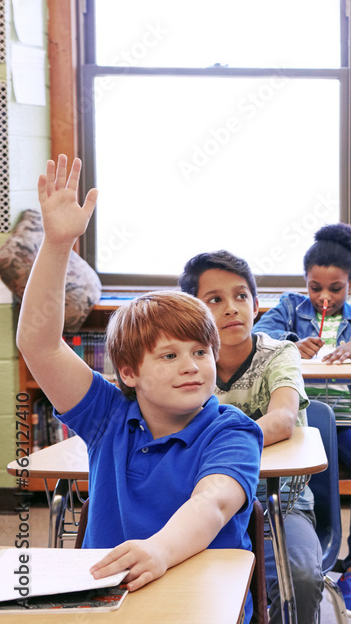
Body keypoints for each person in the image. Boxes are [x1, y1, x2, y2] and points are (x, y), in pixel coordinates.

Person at [16, 155, 263, 624]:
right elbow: (38, 344)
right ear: (128, 372)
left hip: (203, 599)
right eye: (169, 356)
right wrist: (58, 244)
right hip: (109, 598)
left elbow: (212, 503)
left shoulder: (232, 430)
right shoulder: (107, 416)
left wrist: (159, 551)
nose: (191, 367)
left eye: (200, 352)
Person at [253, 223, 351, 620]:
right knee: (285, 479)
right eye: (315, 287)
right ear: (305, 282)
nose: (324, 297)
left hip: (349, 422)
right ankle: (300, 557)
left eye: (335, 288)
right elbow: (258, 334)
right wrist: (290, 343)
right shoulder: (288, 307)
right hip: (298, 424)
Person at [179, 251, 324, 624]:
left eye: (241, 296)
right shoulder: (187, 364)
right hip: (204, 501)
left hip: (281, 502)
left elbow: (282, 420)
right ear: (194, 312)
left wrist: (222, 446)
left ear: (257, 305)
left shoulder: (280, 353)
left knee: (303, 579)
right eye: (215, 300)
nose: (231, 308)